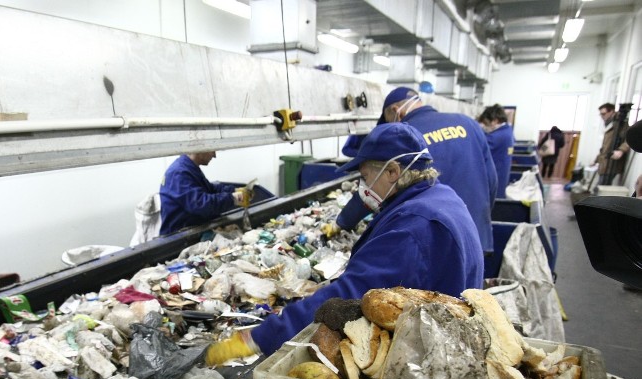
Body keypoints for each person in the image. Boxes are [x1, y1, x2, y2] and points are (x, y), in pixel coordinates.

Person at [205, 122, 484, 363]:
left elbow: (352, 294)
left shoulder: (413, 228)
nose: (362, 187)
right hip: (445, 337)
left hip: (432, 352)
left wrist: (261, 336)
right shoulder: (438, 196)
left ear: (393, 172)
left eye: (364, 177)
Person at [339, 87, 498, 254]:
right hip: (476, 235)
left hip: (436, 244)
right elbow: (492, 181)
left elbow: (371, 188)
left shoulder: (406, 137)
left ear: (395, 111)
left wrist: (343, 221)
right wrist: (481, 219)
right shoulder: (468, 124)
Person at [158, 151, 252, 235]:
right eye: (212, 150)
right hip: (178, 239)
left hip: (192, 230)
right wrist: (234, 198)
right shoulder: (178, 173)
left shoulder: (189, 167)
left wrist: (234, 190)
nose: (214, 155)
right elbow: (201, 205)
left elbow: (210, 189)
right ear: (199, 147)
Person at [478, 104, 516, 196]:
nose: (485, 126)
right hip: (501, 178)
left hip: (495, 179)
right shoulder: (508, 131)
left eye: (486, 123)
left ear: (495, 121)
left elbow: (478, 143)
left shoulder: (499, 136)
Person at [594, 103, 630, 185]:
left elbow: (628, 139)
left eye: (604, 114)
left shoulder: (620, 123)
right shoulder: (610, 124)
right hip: (604, 162)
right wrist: (596, 160)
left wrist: (621, 150)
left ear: (612, 112)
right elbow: (604, 147)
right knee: (600, 187)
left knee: (603, 187)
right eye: (601, 114)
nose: (602, 116)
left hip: (611, 163)